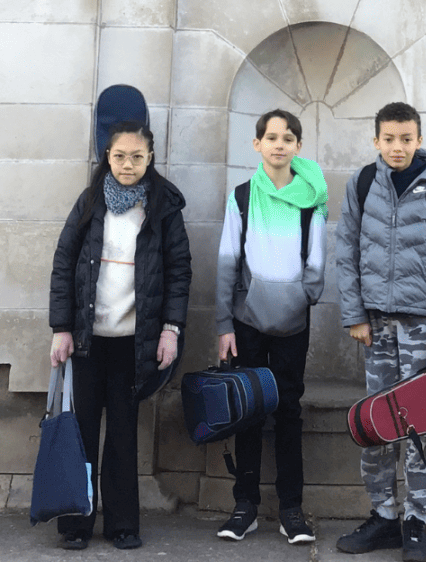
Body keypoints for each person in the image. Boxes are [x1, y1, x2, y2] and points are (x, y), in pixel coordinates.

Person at [49, 121, 192, 550]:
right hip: (88, 339)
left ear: (150, 158)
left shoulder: (164, 206)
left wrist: (171, 330)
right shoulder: (90, 202)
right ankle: (76, 523)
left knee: (124, 435)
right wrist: (61, 328)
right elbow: (63, 262)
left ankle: (123, 524)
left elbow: (179, 272)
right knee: (84, 430)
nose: (127, 164)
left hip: (135, 342)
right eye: (119, 156)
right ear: (106, 158)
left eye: (136, 157)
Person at [334, 102, 426, 561]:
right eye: (389, 139)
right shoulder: (363, 183)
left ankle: (415, 522)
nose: (397, 147)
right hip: (375, 328)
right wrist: (354, 315)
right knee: (378, 423)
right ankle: (384, 516)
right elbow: (346, 248)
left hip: (421, 327)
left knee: (420, 426)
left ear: (418, 138)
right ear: (376, 140)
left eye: (406, 139)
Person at [215, 110, 328, 545]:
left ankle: (291, 509)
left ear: (298, 146)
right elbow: (229, 259)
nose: (279, 144)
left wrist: (302, 298)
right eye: (271, 137)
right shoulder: (242, 196)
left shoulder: (312, 198)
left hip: (293, 322)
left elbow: (316, 261)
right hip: (246, 322)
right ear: (257, 144)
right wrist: (225, 322)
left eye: (288, 138)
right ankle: (244, 507)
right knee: (246, 409)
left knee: (288, 411)